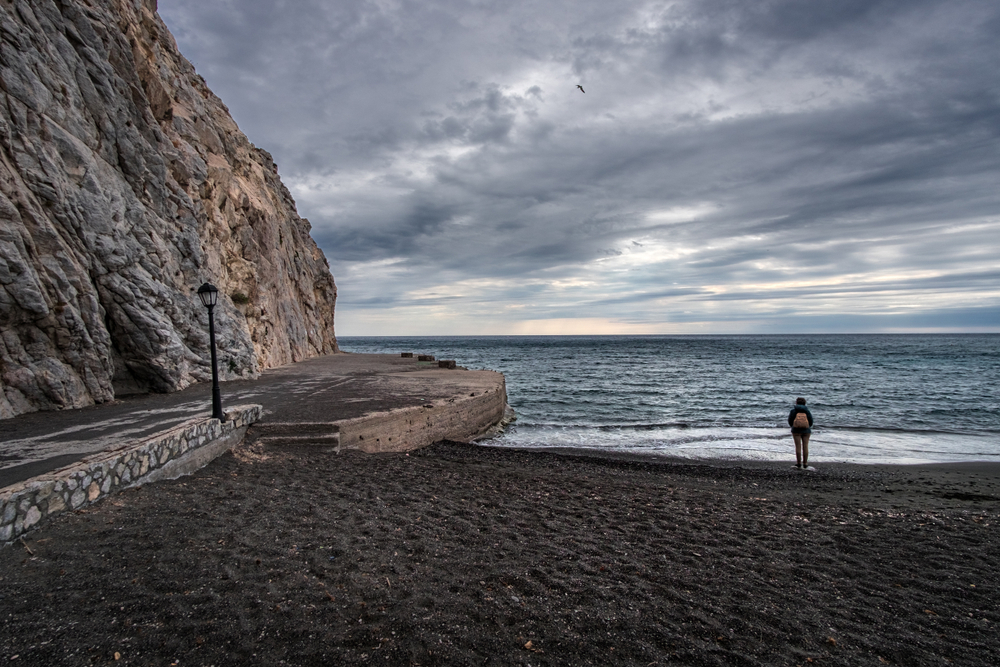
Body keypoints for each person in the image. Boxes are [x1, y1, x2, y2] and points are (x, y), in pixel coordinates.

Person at [788, 397, 814, 470]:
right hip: (806, 430)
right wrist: (808, 427)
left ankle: (799, 463)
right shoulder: (807, 411)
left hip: (796, 430)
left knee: (798, 446)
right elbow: (811, 421)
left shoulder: (793, 411)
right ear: (804, 403)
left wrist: (793, 426)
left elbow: (790, 420)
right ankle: (805, 463)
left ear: (796, 402)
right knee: (805, 446)